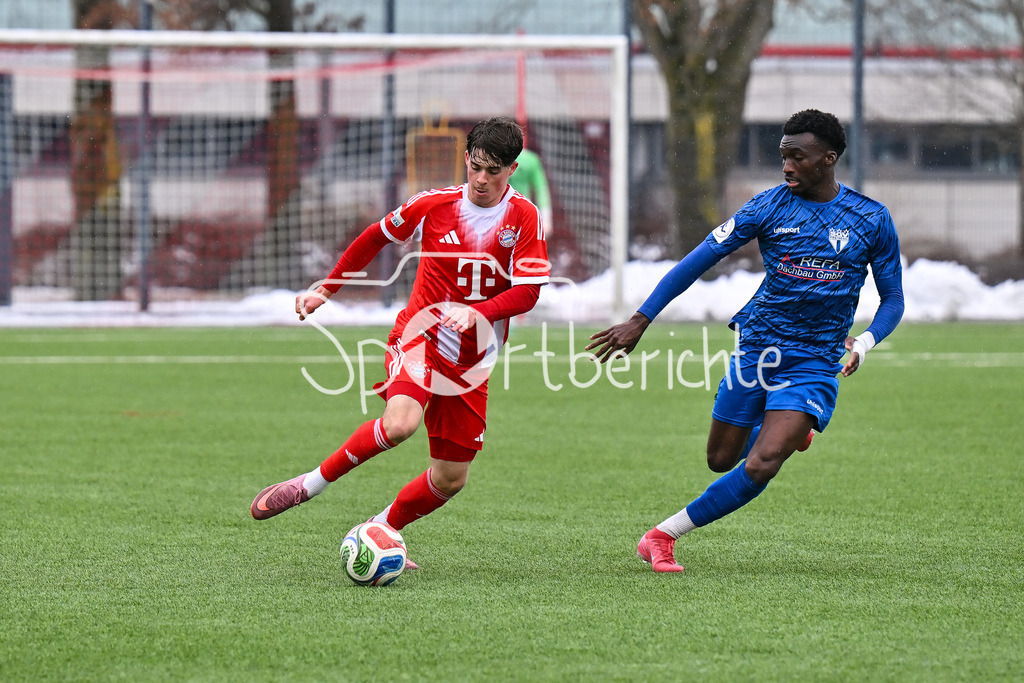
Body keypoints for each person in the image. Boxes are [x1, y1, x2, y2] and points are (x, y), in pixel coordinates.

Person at [586, 109, 904, 573]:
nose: (787, 166)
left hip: (816, 361)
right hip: (758, 350)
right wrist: (641, 319)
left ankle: (662, 536)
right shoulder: (768, 207)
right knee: (720, 459)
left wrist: (867, 341)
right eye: (783, 156)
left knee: (761, 464)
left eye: (798, 157)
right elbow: (695, 261)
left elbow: (893, 299)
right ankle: (787, 428)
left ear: (828, 159)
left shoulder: (870, 219)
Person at [251, 116, 550, 569]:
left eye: (494, 170)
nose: (481, 179)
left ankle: (383, 527)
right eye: (475, 166)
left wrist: (479, 312)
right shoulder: (435, 204)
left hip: (473, 362)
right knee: (401, 424)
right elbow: (376, 236)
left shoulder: (524, 217)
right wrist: (326, 288)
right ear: (466, 160)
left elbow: (529, 291)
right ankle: (310, 484)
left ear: (512, 169)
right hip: (420, 336)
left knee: (450, 479)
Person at [509, 145, 554, 235]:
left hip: (507, 214)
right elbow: (541, 189)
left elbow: (541, 189)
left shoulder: (495, 156)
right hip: (521, 215)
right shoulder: (530, 159)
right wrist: (546, 219)